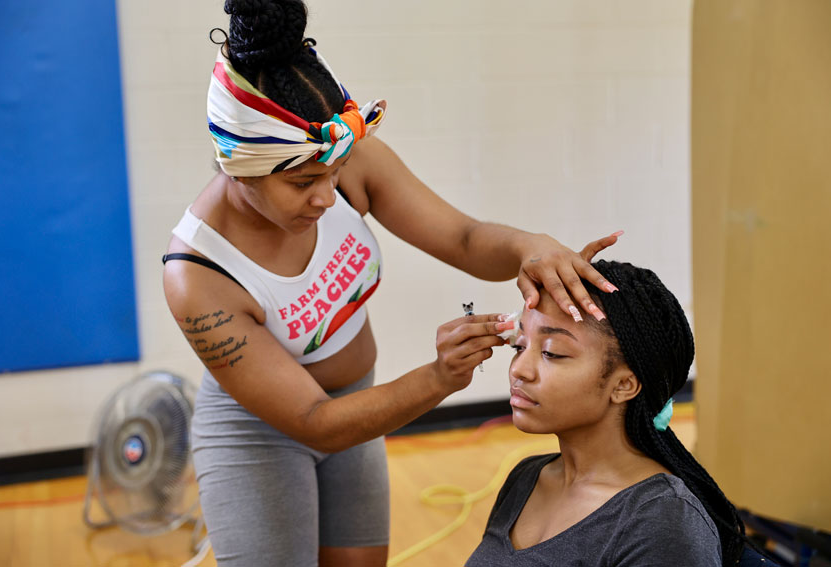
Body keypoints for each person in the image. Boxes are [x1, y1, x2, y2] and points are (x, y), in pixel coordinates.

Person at [162, 1, 620, 565]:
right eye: (305, 182)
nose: (327, 195)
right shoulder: (197, 275)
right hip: (260, 435)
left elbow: (465, 239)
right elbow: (314, 423)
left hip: (359, 400)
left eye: (334, 174)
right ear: (238, 165)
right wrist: (438, 377)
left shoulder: (337, 156)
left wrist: (532, 246)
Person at [466, 260, 751, 567]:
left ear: (624, 385)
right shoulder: (526, 478)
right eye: (519, 346)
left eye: (551, 352)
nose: (519, 370)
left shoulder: (662, 522)